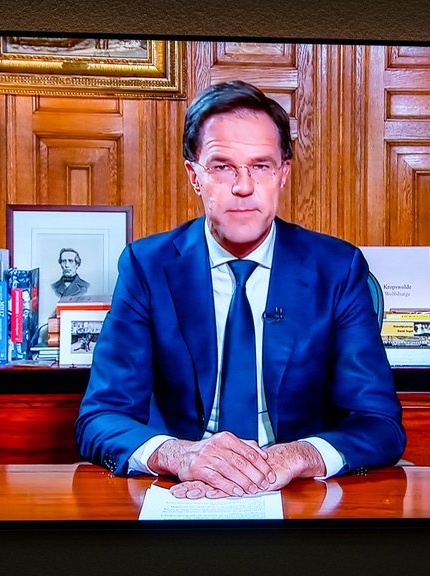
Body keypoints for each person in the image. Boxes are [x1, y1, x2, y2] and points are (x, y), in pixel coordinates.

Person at [75, 80, 405, 499]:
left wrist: (300, 455)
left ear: (283, 174)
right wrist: (178, 455)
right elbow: (100, 417)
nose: (244, 186)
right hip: (183, 490)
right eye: (222, 167)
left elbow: (379, 423)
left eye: (261, 166)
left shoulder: (337, 269)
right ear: (194, 176)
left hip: (297, 493)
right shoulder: (147, 266)